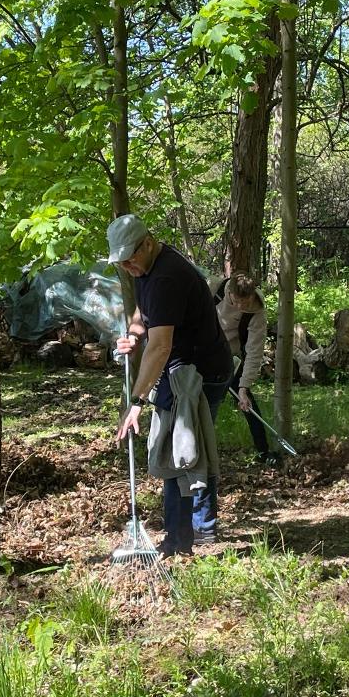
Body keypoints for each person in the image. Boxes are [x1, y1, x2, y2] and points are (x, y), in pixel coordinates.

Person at [110, 214, 233, 555]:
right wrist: (133, 335)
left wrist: (137, 400)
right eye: (120, 262)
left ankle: (184, 539)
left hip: (201, 374)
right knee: (187, 449)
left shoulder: (167, 276)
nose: (127, 267)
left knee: (185, 451)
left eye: (130, 258)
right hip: (183, 369)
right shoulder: (146, 268)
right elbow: (142, 313)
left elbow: (161, 346)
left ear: (147, 243)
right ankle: (194, 531)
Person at [213, 271, 279, 465]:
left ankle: (263, 452)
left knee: (248, 402)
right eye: (237, 302)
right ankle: (197, 452)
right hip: (201, 351)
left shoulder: (257, 311)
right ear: (229, 293)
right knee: (200, 402)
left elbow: (254, 352)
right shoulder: (213, 287)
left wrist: (243, 387)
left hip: (231, 358)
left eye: (246, 302)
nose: (242, 307)